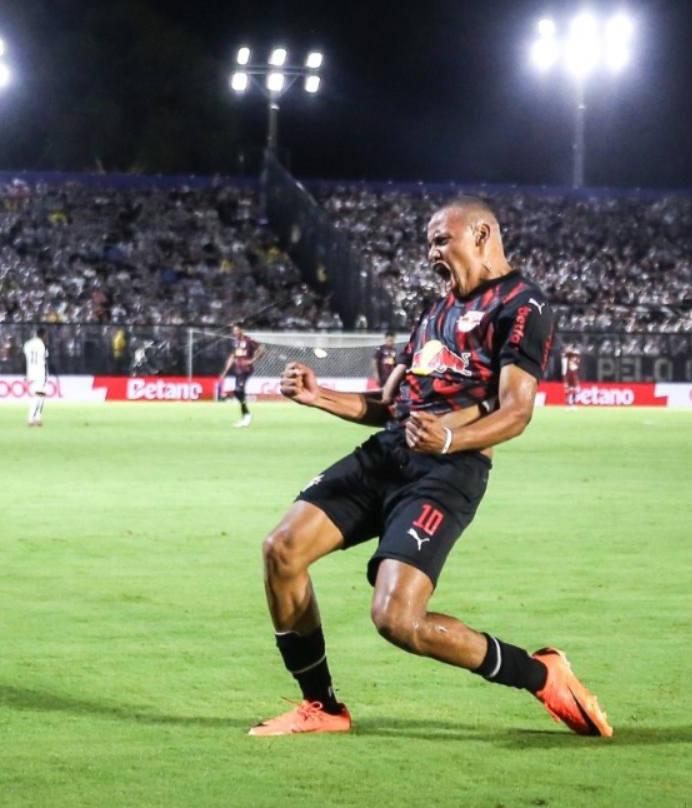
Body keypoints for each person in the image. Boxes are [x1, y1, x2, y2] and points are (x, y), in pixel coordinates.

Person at [248, 197, 612, 738]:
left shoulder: (521, 305)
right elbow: (388, 406)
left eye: (442, 240)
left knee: (398, 620)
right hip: (390, 454)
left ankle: (540, 673)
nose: (432, 253)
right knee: (281, 549)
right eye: (428, 243)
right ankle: (322, 707)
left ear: (483, 234)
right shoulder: (433, 312)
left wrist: (449, 438)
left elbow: (516, 411)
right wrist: (318, 394)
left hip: (448, 473)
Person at [218, 322, 265, 428]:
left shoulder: (248, 340)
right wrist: (225, 371)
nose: (234, 332)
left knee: (238, 390)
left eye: (236, 330)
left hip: (246, 369)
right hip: (238, 370)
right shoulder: (236, 342)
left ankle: (246, 415)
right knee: (238, 392)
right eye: (233, 330)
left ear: (241, 330)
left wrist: (252, 360)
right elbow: (232, 357)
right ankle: (246, 415)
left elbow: (262, 349)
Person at [23, 328, 49, 427]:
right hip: (40, 372)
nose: (47, 337)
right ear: (42, 335)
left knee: (40, 395)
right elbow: (44, 359)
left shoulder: (27, 344)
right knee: (38, 395)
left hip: (30, 372)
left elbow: (25, 359)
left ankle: (38, 418)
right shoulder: (42, 345)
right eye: (46, 335)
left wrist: (25, 374)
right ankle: (31, 418)